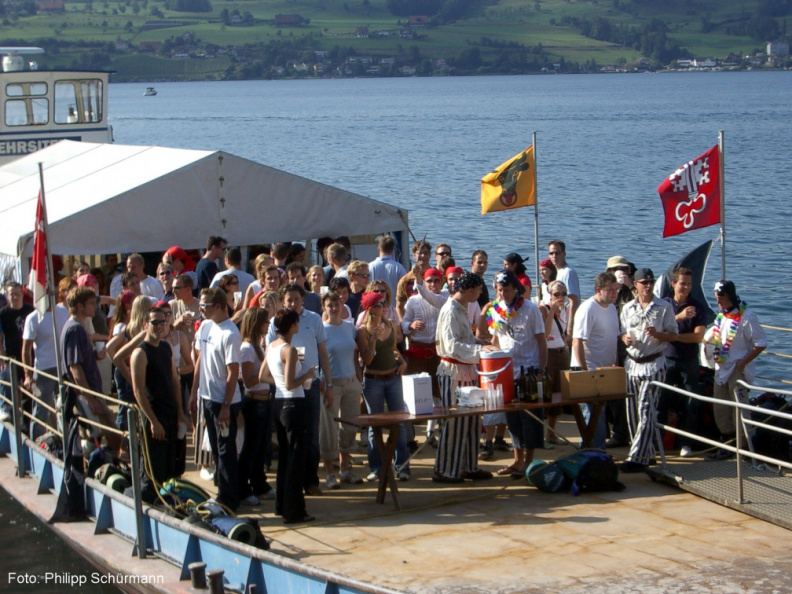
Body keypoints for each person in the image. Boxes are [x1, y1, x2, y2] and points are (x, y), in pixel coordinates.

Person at [266, 283, 334, 497]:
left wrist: (328, 383)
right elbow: (269, 352)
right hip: (286, 390)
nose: (293, 303)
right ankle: (290, 484)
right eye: (289, 300)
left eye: (297, 299)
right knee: (288, 439)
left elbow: (323, 353)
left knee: (312, 435)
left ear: (303, 299)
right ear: (282, 301)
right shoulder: (276, 322)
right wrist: (280, 380)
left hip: (310, 385)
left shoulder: (314, 319)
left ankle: (310, 481)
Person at [433, 272, 497, 483]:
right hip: (452, 372)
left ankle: (468, 466)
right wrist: (479, 350)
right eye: (478, 291)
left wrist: (480, 343)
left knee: (471, 421)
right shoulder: (450, 310)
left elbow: (465, 339)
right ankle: (444, 469)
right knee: (454, 423)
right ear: (470, 290)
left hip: (467, 372)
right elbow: (451, 346)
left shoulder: (462, 308)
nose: (480, 294)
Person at [487, 270, 547, 478]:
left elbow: (542, 341)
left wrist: (541, 370)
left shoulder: (531, 309)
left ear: (515, 289)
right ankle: (517, 459)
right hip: (506, 371)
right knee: (512, 418)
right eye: (499, 290)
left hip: (528, 370)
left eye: (506, 290)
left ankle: (529, 461)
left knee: (530, 418)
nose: (502, 294)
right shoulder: (495, 309)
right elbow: (495, 340)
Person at [618, 268, 678, 473]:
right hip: (633, 364)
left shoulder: (664, 307)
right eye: (644, 282)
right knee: (632, 413)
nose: (648, 286)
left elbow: (673, 335)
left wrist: (658, 334)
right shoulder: (627, 308)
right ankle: (648, 452)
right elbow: (622, 332)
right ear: (635, 284)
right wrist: (624, 338)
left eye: (650, 282)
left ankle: (637, 458)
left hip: (654, 364)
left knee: (646, 410)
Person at [190, 287, 242, 511]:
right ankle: (222, 491)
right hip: (207, 398)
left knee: (225, 450)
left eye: (204, 305)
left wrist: (226, 406)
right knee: (215, 448)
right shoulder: (205, 327)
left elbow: (233, 372)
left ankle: (229, 500)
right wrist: (194, 393)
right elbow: (200, 361)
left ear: (218, 306)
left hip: (224, 401)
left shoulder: (230, 333)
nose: (201, 309)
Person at [130, 307, 190, 502]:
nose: (159, 326)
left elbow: (174, 381)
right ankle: (148, 503)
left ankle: (168, 502)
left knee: (171, 467)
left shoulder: (166, 348)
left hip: (170, 414)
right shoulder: (140, 353)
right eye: (154, 322)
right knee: (152, 470)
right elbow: (138, 391)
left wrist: (180, 413)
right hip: (154, 416)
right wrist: (153, 421)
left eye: (163, 322)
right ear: (145, 324)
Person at [263, 308, 316, 524]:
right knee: (296, 459)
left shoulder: (271, 346)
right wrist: (307, 375)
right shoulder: (289, 350)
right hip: (293, 404)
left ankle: (282, 506)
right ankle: (294, 511)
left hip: (278, 403)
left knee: (286, 458)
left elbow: (263, 375)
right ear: (293, 325)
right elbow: (290, 383)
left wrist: (281, 381)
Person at [703, 280, 767, 461]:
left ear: (730, 296)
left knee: (740, 411)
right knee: (720, 409)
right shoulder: (721, 316)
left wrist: (742, 364)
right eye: (716, 296)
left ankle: (744, 449)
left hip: (738, 369)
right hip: (721, 368)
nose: (718, 300)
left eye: (721, 297)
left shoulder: (747, 317)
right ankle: (727, 445)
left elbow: (761, 342)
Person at [356, 291, 410, 482]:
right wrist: (373, 340)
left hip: (393, 377)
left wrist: (402, 362)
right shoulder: (363, 331)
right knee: (374, 425)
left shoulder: (390, 324)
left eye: (385, 303)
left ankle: (401, 466)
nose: (384, 307)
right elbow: (367, 360)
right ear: (371, 309)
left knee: (399, 422)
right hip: (373, 380)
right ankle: (377, 467)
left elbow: (393, 349)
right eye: (380, 304)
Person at [61, 287, 121, 454]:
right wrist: (90, 399)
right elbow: (75, 367)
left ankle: (95, 461)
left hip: (86, 392)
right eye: (92, 303)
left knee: (92, 436)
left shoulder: (75, 327)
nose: (96, 306)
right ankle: (105, 461)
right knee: (114, 435)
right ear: (80, 306)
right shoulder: (76, 329)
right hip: (88, 394)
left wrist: (94, 355)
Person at [661, 267, 707, 457]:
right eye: (682, 283)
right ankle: (658, 440)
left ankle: (686, 443)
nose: (686, 287)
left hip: (689, 360)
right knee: (661, 400)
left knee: (690, 402)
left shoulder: (698, 307)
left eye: (689, 284)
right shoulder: (664, 304)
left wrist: (673, 336)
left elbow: (697, 337)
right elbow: (657, 329)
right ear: (673, 284)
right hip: (666, 359)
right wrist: (678, 318)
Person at [571, 272, 620, 449]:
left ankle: (596, 450)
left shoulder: (612, 308)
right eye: (610, 290)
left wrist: (614, 364)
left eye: (616, 289)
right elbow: (577, 341)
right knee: (592, 415)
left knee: (601, 412)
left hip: (605, 370)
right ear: (598, 290)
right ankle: (593, 451)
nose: (614, 293)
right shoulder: (588, 309)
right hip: (588, 369)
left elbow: (614, 338)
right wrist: (584, 372)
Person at [320, 292, 364, 488]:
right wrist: (323, 383)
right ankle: (329, 472)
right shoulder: (321, 329)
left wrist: (359, 380)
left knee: (349, 427)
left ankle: (345, 469)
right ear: (324, 307)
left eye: (337, 304)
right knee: (329, 428)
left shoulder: (349, 327)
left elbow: (355, 355)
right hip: (331, 384)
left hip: (351, 382)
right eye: (330, 305)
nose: (334, 308)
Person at [237, 307, 275, 506]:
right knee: (250, 448)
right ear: (256, 324)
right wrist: (267, 368)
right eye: (265, 321)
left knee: (261, 446)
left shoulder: (258, 346)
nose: (268, 324)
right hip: (253, 403)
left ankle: (259, 484)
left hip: (265, 401)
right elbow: (249, 381)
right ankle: (243, 488)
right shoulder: (247, 349)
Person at [21, 290, 70, 439]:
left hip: (63, 368)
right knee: (40, 412)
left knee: (64, 409)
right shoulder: (33, 318)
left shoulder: (63, 312)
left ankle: (64, 442)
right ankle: (36, 444)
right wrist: (28, 375)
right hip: (44, 371)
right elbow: (26, 349)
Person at [541, 280, 571, 445]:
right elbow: (544, 333)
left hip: (561, 352)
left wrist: (566, 346)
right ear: (550, 294)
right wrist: (552, 311)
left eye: (563, 294)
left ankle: (551, 434)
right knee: (546, 393)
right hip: (549, 353)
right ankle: (541, 435)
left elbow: (563, 332)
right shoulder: (543, 309)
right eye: (556, 294)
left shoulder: (564, 310)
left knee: (558, 393)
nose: (560, 297)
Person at [0, 282, 35, 420]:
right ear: (7, 296)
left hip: (29, 356)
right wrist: (3, 358)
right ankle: (9, 414)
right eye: (12, 294)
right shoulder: (3, 314)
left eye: (18, 293)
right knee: (12, 389)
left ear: (22, 294)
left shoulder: (30, 311)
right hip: (12, 357)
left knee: (29, 392)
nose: (15, 297)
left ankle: (26, 423)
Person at [396, 240, 432, 320]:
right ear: (414, 255)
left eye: (426, 253)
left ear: (430, 254)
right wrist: (405, 324)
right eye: (419, 253)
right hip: (415, 322)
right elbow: (399, 306)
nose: (423, 255)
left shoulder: (436, 277)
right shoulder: (405, 280)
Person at [548, 240, 580, 327]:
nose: (554, 256)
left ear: (564, 253)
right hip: (560, 318)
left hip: (567, 320)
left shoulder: (568, 272)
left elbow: (573, 301)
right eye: (551, 253)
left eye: (557, 253)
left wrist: (570, 327)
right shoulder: (559, 272)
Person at [369, 235, 406, 306]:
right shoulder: (399, 268)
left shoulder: (370, 267)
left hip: (376, 307)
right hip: (394, 307)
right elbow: (404, 288)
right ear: (392, 250)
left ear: (378, 249)